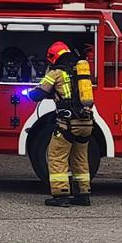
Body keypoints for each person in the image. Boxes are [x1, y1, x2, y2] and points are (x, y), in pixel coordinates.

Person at [26, 41, 95, 207]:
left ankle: (61, 195)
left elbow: (39, 94)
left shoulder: (56, 73)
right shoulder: (80, 73)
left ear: (53, 57)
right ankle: (83, 194)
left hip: (67, 124)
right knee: (80, 159)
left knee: (57, 157)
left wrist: (28, 94)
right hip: (86, 123)